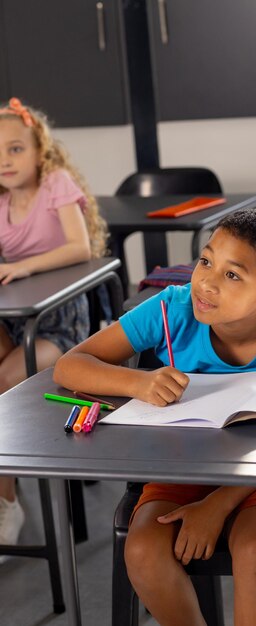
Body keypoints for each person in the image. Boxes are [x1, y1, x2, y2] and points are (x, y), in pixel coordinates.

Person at [54, 207, 256, 626]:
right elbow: (69, 366)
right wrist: (138, 382)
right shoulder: (171, 310)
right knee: (143, 549)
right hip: (185, 460)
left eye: (232, 275)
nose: (206, 281)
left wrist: (217, 505)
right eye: (206, 261)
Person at [0, 97, 108, 548]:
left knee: (6, 380)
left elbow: (80, 248)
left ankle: (6, 500)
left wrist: (25, 267)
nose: (5, 160)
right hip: (15, 318)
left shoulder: (57, 184)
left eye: (15, 148)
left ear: (40, 152)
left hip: (59, 322)